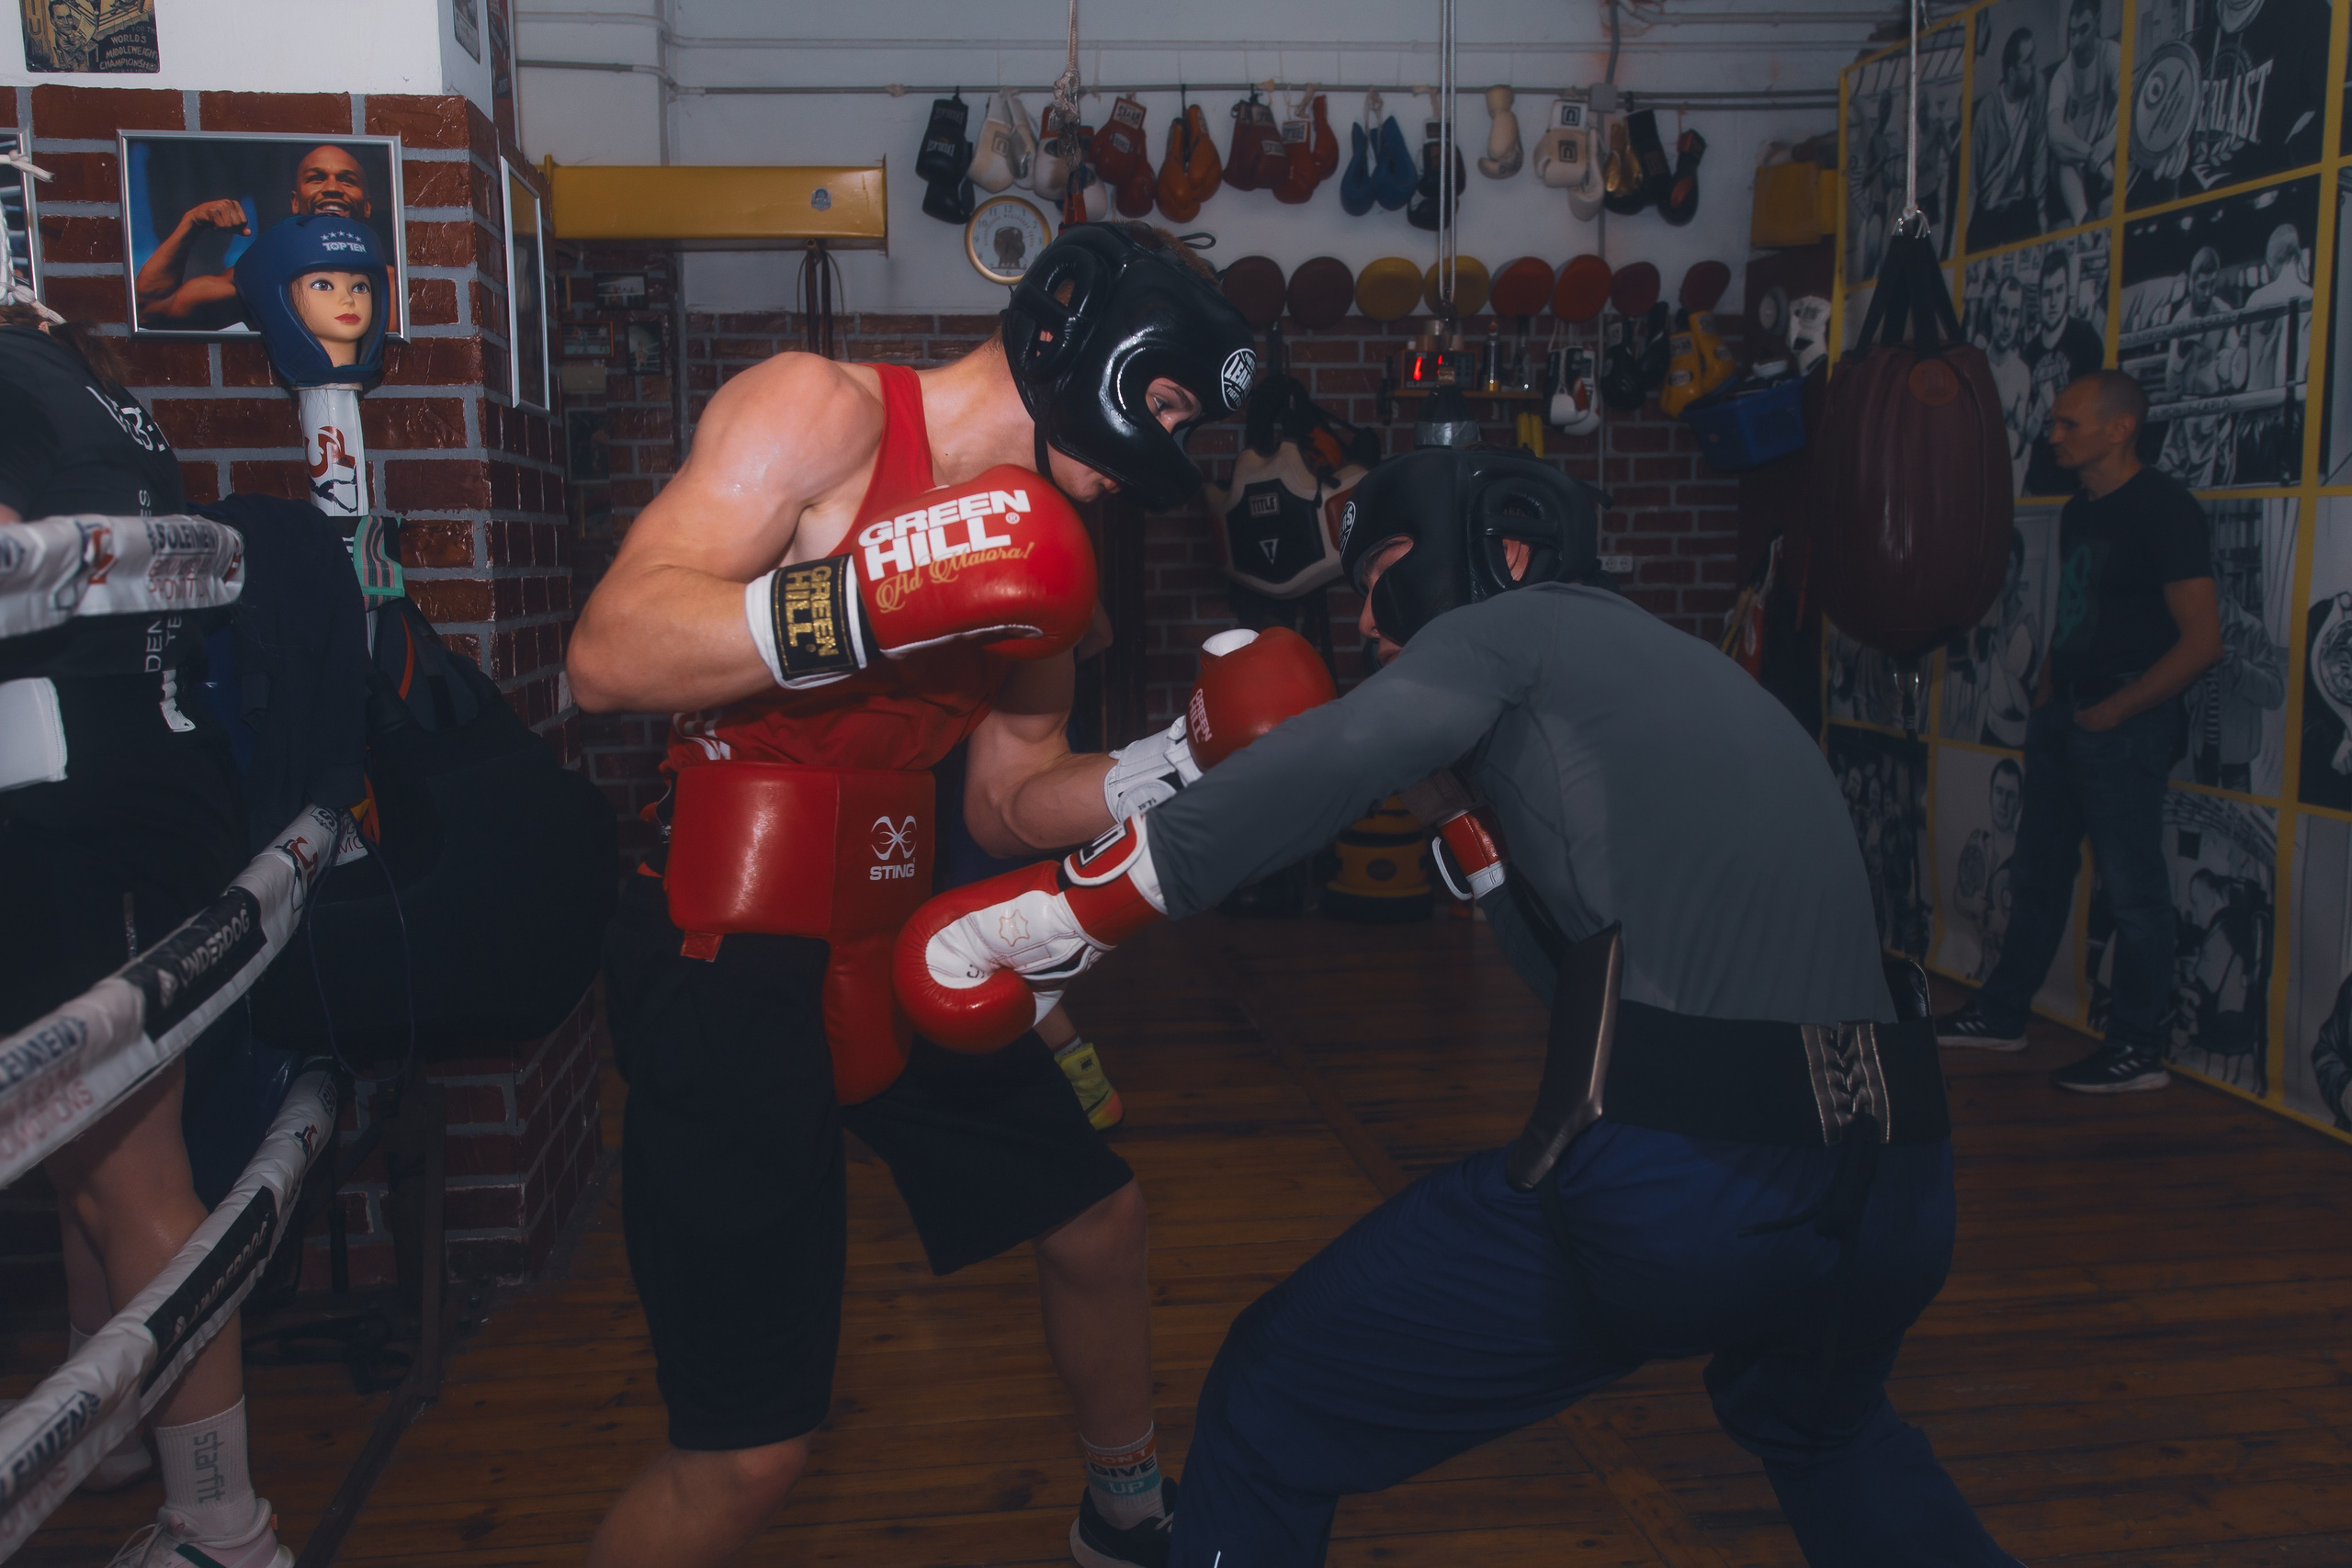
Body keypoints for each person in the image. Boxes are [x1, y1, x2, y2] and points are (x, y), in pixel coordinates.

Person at [898, 446, 2020, 1567]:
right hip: (1898, 1189)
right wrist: (1476, 846)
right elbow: (1593, 983)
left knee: (1275, 1390)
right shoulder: (1687, 672)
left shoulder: (1510, 628)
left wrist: (1065, 917)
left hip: (1695, 1192)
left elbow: (1337, 751)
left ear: (1504, 552)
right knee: (1817, 1429)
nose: (1371, 626)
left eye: (1381, 574)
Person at [564, 221, 1265, 1568]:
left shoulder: (1049, 548)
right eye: (1168, 401)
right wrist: (865, 600)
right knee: (748, 1450)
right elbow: (606, 652)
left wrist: (1177, 759)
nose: (1155, 454)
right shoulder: (815, 412)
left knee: (1096, 1210)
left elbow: (1009, 796)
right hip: (726, 941)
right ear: (1100, 348)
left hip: (891, 926)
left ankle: (1125, 1512)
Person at [0, 303, 289, 1568]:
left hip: (55, 787)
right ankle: (115, 1424)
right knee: (93, 1143)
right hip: (150, 771)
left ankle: (221, 1516)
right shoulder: (62, 363)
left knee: (126, 1163)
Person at [1937, 372, 2223, 1092]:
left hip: (2123, 721)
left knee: (2134, 892)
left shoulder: (2164, 509)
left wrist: (2115, 711)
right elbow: (2076, 614)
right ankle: (2003, 1015)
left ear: (2120, 428)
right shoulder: (2078, 509)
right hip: (2068, 716)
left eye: (2068, 424)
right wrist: (2048, 699)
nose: (2053, 435)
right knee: (2037, 873)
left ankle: (2135, 1050)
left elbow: (2202, 642)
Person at [134, 143, 374, 331]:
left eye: (347, 180)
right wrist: (191, 222)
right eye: (316, 178)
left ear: (367, 207)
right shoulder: (265, 278)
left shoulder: (393, 284)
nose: (332, 188)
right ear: (293, 202)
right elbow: (151, 309)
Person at [2022, 249, 2103, 494]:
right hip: (2038, 475)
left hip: (2076, 476)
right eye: (2048, 293)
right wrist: (2039, 411)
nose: (2054, 301)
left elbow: (2096, 413)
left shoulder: (2085, 338)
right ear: (2039, 297)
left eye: (2059, 290)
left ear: (2068, 292)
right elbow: (2026, 432)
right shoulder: (2029, 353)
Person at [1969, 28, 2047, 251]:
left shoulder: (2037, 89)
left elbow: (2040, 148)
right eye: (2028, 60)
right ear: (2012, 72)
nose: (2034, 65)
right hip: (1989, 209)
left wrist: (2041, 209)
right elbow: (1971, 182)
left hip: (2020, 206)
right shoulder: (1988, 111)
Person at [2042, 0, 2118, 227]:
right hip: (2078, 160)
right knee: (2060, 155)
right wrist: (2090, 154)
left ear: (2097, 23)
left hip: (2107, 151)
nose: (2075, 42)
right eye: (2072, 33)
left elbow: (2129, 104)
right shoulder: (2062, 76)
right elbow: (2055, 133)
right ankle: (2083, 219)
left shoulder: (2112, 53)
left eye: (2083, 30)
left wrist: (2107, 145)